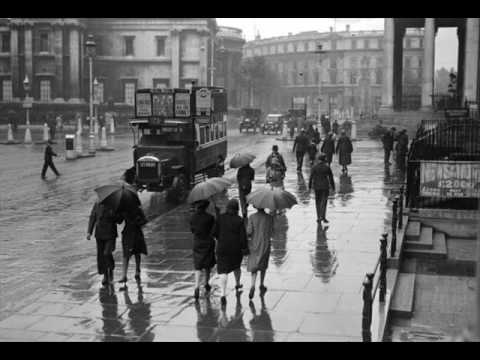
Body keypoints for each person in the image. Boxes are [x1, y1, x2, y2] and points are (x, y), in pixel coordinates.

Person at [212, 199, 249, 306]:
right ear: (237, 209)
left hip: (222, 247)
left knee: (223, 271)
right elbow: (243, 237)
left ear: (227, 208)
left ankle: (223, 294)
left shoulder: (220, 218)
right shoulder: (239, 220)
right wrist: (245, 248)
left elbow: (214, 233)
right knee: (236, 266)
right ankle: (237, 284)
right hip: (235, 249)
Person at [87, 200, 121, 285]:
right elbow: (93, 217)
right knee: (101, 255)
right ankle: (106, 275)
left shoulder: (114, 204)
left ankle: (111, 266)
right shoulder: (97, 204)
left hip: (110, 233)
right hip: (99, 233)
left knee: (106, 253)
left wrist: (113, 214)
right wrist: (89, 232)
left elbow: (119, 220)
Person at [190, 200, 216, 300]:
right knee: (208, 264)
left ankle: (196, 286)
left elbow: (192, 230)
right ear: (206, 207)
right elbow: (213, 230)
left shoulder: (192, 217)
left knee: (198, 265)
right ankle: (206, 282)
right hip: (208, 242)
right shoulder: (210, 217)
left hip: (197, 242)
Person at [246, 207, 273, 300]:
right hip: (265, 244)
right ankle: (261, 284)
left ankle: (253, 285)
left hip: (254, 244)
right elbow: (272, 231)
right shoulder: (269, 218)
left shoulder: (252, 217)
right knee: (263, 265)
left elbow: (249, 232)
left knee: (254, 265)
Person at [118, 205, 148, 285]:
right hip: (127, 234)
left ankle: (137, 269)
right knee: (126, 254)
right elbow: (119, 221)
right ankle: (124, 275)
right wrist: (118, 213)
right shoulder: (123, 209)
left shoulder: (138, 209)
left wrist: (138, 221)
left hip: (136, 233)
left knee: (137, 252)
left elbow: (144, 220)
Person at [309, 153, 335, 224]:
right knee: (324, 202)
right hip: (325, 186)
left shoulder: (314, 167)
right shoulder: (327, 167)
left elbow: (311, 177)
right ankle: (323, 217)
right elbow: (331, 178)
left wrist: (309, 186)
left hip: (316, 187)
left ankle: (318, 217)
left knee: (317, 202)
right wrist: (333, 187)